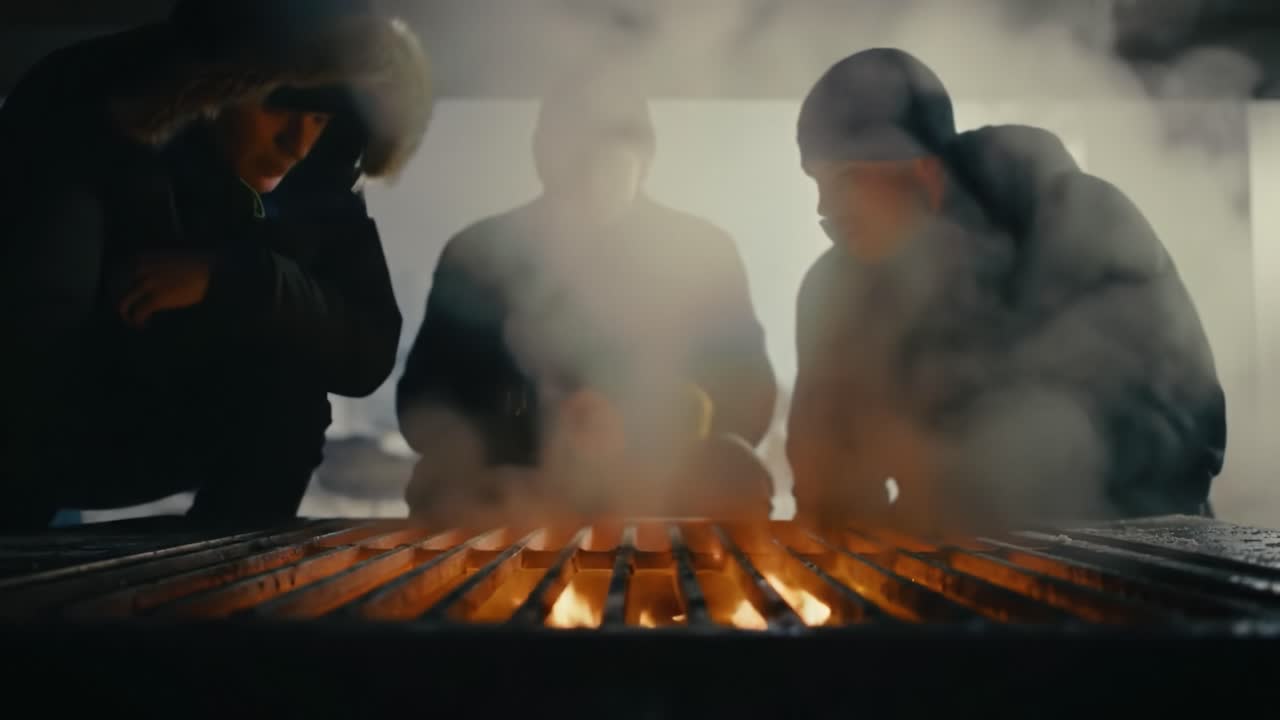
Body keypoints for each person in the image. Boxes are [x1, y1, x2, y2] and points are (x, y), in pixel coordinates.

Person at [0, 0, 433, 529]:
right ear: (214, 90)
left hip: (172, 421)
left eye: (321, 117)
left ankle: (235, 563)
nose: (298, 144)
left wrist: (236, 280)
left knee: (291, 387)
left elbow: (366, 351)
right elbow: (29, 355)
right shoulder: (81, 117)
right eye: (279, 107)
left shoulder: (322, 165)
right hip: (39, 432)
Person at [787, 48, 1226, 531]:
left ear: (924, 170)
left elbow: (1185, 429)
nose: (826, 207)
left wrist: (982, 482)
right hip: (954, 555)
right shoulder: (839, 288)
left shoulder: (1076, 225)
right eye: (818, 183)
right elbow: (829, 473)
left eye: (847, 178)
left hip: (1134, 548)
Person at [397, 76, 778, 524]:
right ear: (541, 159)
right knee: (436, 480)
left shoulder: (700, 254)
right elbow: (422, 399)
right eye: (567, 158)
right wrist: (509, 444)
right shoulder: (479, 254)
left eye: (602, 158)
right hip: (517, 485)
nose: (582, 178)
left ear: (644, 160)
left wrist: (642, 435)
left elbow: (749, 399)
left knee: (737, 473)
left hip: (662, 482)